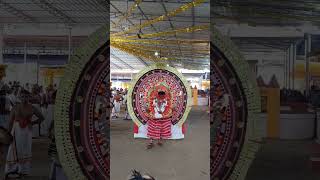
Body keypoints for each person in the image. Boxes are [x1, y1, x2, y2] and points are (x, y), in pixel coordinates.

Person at [5, 90, 44, 178]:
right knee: (13, 148)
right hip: (16, 131)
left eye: (26, 96)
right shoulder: (15, 107)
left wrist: (32, 123)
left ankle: (23, 170)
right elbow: (10, 122)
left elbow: (42, 118)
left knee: (25, 149)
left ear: (29, 97)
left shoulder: (32, 108)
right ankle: (12, 169)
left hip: (27, 131)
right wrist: (7, 134)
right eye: (22, 96)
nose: (24, 98)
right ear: (19, 97)